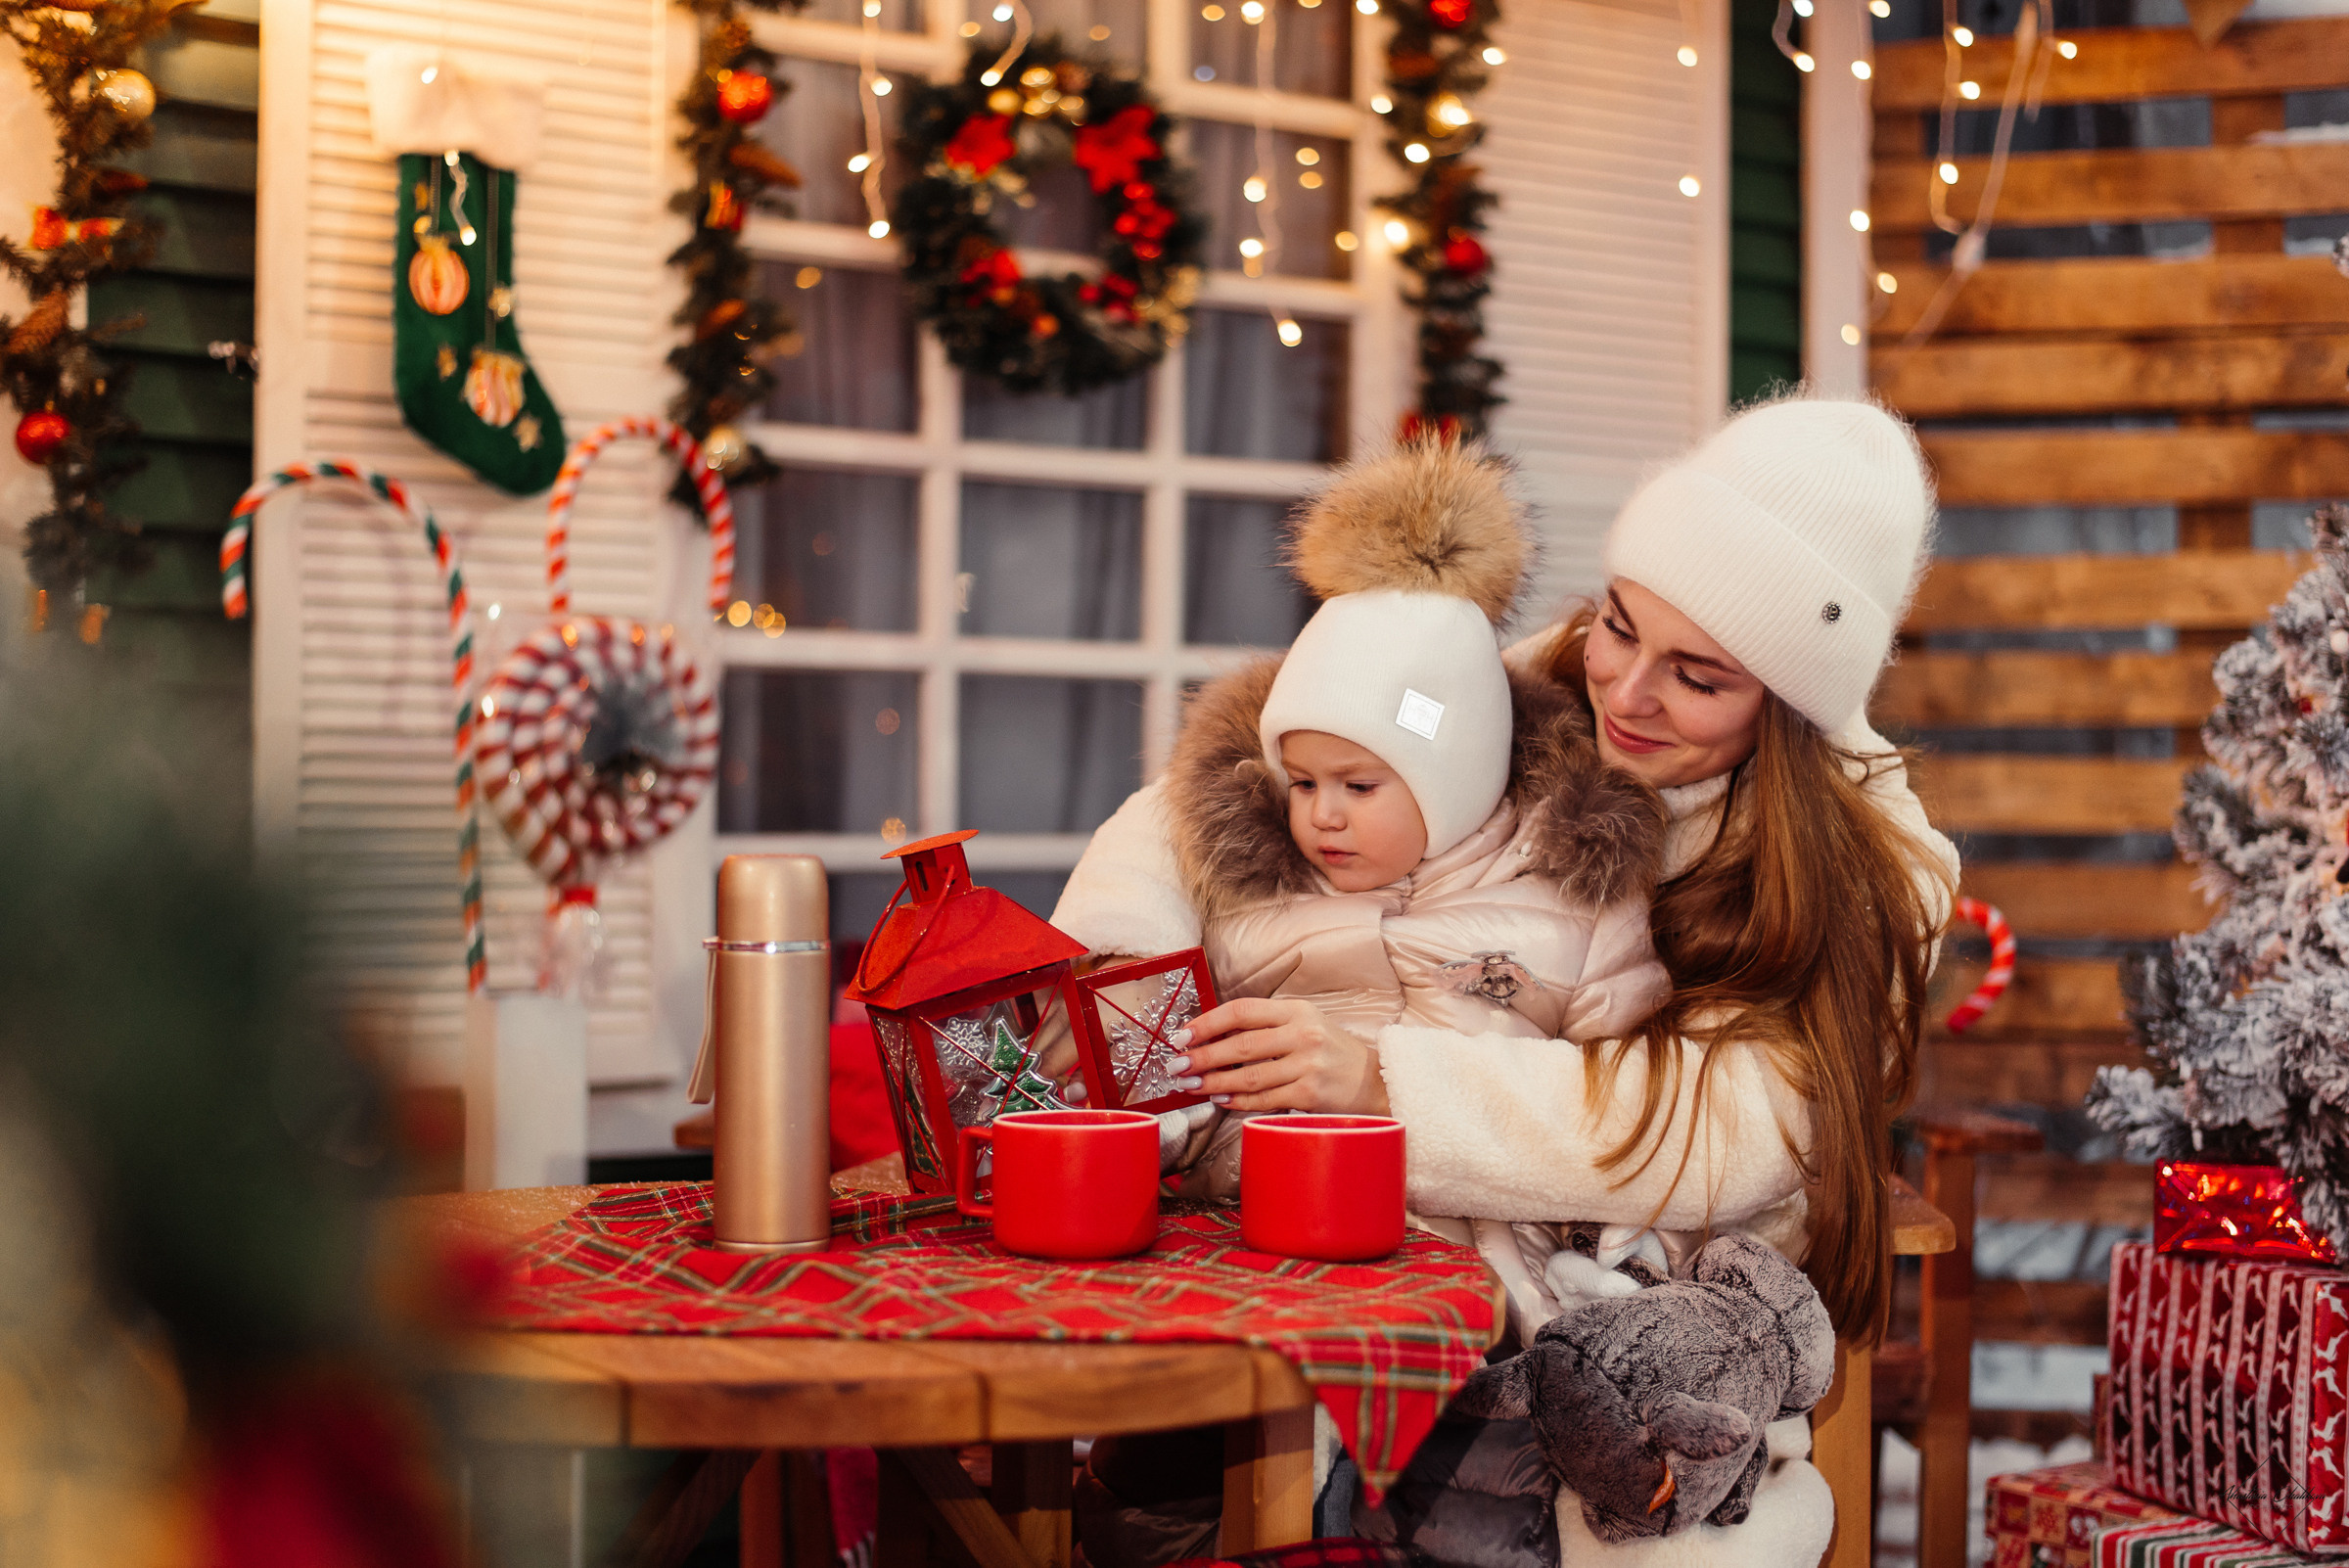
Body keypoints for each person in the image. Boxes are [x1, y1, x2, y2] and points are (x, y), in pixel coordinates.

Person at [1053, 393, 1959, 1568]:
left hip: (1642, 1305)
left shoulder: (1864, 871)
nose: (1624, 690)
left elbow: (1741, 1132)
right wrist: (1128, 963)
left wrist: (1387, 1083)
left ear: (1788, 709)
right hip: (1388, 1233)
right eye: (1621, 624)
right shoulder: (1531, 691)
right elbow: (1244, 777)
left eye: (1697, 676)